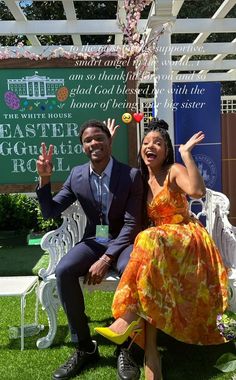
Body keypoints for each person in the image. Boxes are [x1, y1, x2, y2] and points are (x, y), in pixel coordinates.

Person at [95, 119, 229, 380]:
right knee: (149, 271)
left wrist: (186, 154)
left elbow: (198, 191)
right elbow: (111, 174)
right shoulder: (140, 179)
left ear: (165, 150)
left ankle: (128, 319)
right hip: (159, 247)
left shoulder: (174, 170)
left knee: (147, 238)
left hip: (187, 240)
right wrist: (108, 143)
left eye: (157, 142)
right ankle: (152, 354)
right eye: (146, 143)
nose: (150, 146)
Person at [36, 119, 144, 380]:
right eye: (88, 140)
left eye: (99, 137)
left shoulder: (130, 175)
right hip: (93, 240)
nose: (94, 143)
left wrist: (107, 259)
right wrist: (45, 178)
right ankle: (85, 347)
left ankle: (126, 348)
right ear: (83, 147)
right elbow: (51, 211)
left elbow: (132, 224)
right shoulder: (77, 175)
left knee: (131, 268)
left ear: (109, 141)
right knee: (64, 270)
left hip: (123, 242)